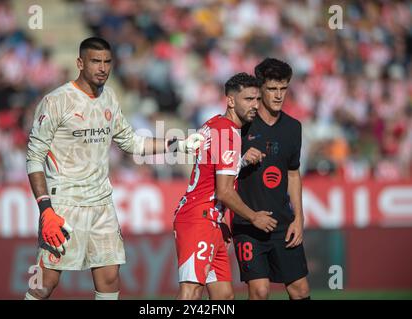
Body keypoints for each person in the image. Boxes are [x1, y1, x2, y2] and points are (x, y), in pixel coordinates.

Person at [24, 37, 203, 300]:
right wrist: (45, 209)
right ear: (79, 63)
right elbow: (34, 157)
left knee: (109, 278)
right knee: (45, 282)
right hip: (65, 204)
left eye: (107, 62)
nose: (102, 68)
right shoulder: (56, 101)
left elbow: (131, 142)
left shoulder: (108, 97)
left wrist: (178, 144)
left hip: (101, 203)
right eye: (95, 61)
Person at [173, 73, 277, 300]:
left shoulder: (213, 124)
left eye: (258, 100)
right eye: (248, 99)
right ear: (231, 101)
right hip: (198, 218)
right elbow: (224, 191)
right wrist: (253, 217)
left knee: (224, 296)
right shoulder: (228, 132)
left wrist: (240, 162)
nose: (255, 105)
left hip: (212, 220)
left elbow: (210, 172)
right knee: (191, 291)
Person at [232, 58, 310, 300]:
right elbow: (222, 171)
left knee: (300, 290)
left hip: (283, 224)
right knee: (260, 291)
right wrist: (242, 159)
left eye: (283, 88)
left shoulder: (293, 128)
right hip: (248, 226)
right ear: (260, 89)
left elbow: (293, 173)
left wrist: (299, 217)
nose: (278, 95)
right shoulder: (240, 126)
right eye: (272, 88)